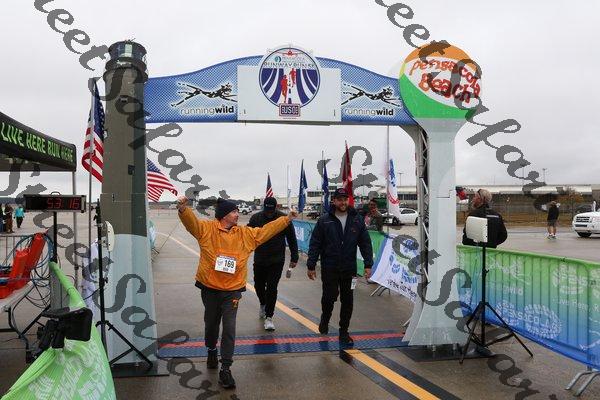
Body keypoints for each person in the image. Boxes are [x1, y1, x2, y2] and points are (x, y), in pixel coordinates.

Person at [177, 196, 297, 389]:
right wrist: (183, 210)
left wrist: (287, 219)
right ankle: (211, 350)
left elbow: (266, 230)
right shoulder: (207, 229)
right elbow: (192, 223)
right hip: (210, 288)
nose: (237, 214)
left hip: (232, 291)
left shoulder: (244, 234)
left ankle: (226, 368)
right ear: (224, 215)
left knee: (229, 328)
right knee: (211, 325)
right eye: (234, 211)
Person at [306, 188, 373, 346]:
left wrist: (368, 264)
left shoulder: (356, 219)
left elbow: (365, 243)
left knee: (347, 300)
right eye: (340, 199)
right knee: (329, 297)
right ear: (334, 201)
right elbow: (315, 243)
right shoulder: (324, 220)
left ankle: (344, 331)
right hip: (330, 267)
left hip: (349, 269)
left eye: (345, 199)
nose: (343, 202)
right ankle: (325, 318)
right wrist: (311, 265)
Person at [248, 197, 299, 331]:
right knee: (258, 285)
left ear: (276, 207)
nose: (269, 213)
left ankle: (269, 317)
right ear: (264, 207)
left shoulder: (284, 219)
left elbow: (292, 239)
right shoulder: (256, 218)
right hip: (260, 258)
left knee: (272, 287)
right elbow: (247, 236)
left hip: (277, 259)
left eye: (271, 211)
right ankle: (263, 303)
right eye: (267, 210)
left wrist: (294, 257)